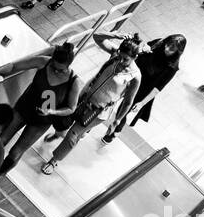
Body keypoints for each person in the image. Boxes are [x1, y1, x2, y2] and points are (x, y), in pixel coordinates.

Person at [41, 33, 142, 174]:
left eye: (125, 59)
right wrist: (115, 35)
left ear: (134, 58)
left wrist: (117, 120)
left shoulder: (135, 77)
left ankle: (54, 160)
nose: (121, 60)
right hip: (84, 98)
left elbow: (128, 102)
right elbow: (97, 38)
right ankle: (59, 134)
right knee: (63, 121)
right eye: (120, 55)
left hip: (98, 111)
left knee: (73, 135)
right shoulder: (115, 56)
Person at [0, 42, 81, 176]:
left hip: (41, 121)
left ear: (68, 65)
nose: (56, 71)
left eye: (61, 70)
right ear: (52, 59)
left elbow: (71, 108)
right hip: (22, 109)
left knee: (16, 152)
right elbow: (15, 66)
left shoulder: (73, 81)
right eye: (54, 66)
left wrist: (51, 112)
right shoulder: (43, 62)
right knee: (0, 140)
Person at [121, 34, 187, 129]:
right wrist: (144, 48)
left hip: (142, 89)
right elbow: (144, 48)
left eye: (171, 49)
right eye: (167, 45)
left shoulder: (172, 67)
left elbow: (158, 88)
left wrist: (142, 103)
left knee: (124, 110)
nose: (167, 49)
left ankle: (114, 132)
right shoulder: (159, 43)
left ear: (178, 51)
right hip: (132, 76)